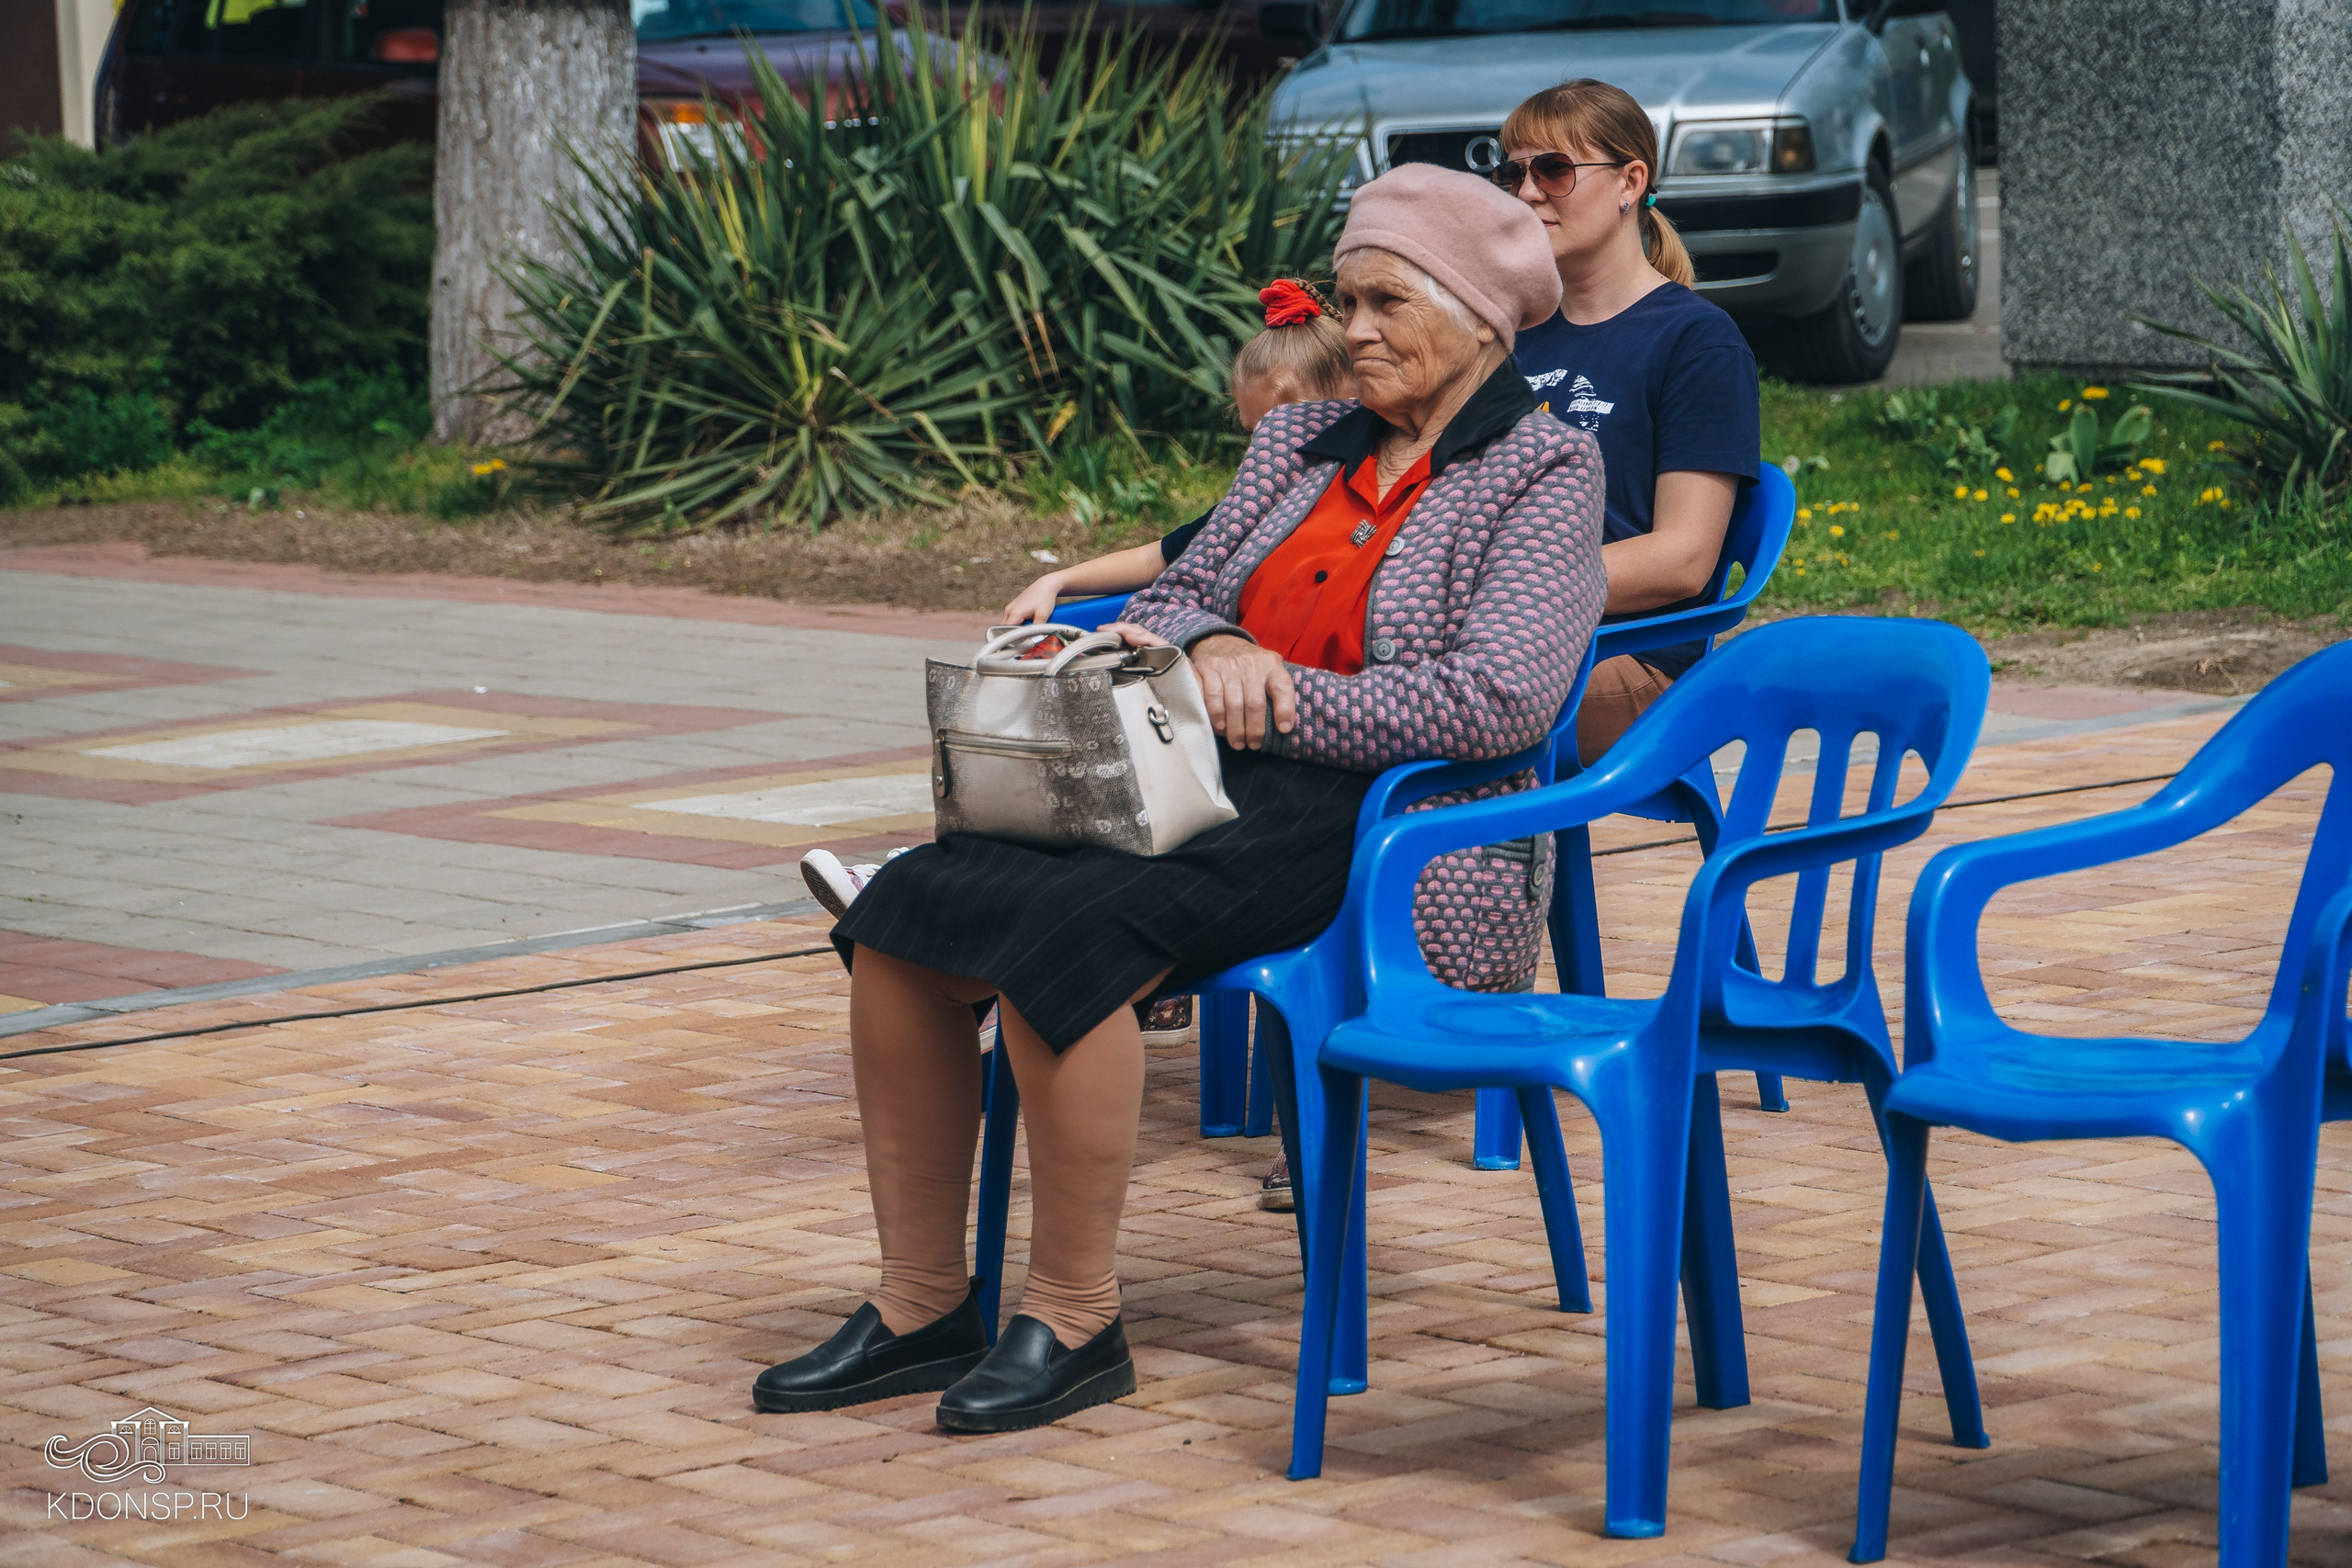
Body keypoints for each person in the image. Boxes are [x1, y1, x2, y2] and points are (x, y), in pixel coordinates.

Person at [752, 164, 1605, 1434]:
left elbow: (1501, 703)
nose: (1352, 329)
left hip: (1392, 825)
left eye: (1384, 302)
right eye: (1345, 296)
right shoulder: (1295, 441)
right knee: (906, 910)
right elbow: (1164, 597)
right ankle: (925, 1302)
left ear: (1481, 315)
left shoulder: (1544, 470)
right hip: (1202, 782)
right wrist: (1214, 644)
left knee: (1079, 932)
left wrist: (1289, 699)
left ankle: (1074, 1319)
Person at [1493, 79, 1762, 765]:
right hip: (1507, 642)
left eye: (1553, 170)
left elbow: (1683, 558)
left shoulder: (1699, 341)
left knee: (1402, 718)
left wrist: (1512, 589)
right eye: (1512, 173)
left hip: (1632, 664)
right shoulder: (1510, 336)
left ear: (1629, 181)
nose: (1527, 194)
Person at [1001, 280, 1358, 631]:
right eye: (1255, 433)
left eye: (1285, 430)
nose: (1265, 448)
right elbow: (1158, 556)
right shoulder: (1252, 508)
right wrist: (1056, 581)